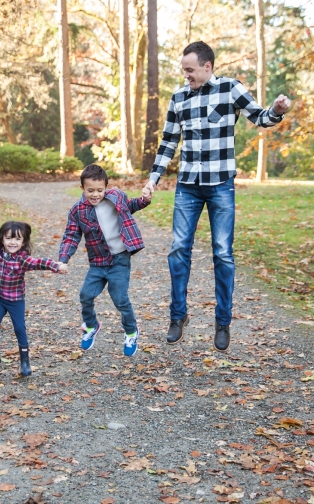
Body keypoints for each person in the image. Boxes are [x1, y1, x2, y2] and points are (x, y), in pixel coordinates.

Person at [141, 41, 291, 352]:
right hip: (188, 186)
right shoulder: (179, 97)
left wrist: (276, 111)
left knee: (222, 253)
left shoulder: (230, 89)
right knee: (178, 249)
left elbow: (259, 117)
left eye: (191, 70)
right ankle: (177, 317)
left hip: (221, 184)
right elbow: (168, 143)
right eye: (184, 71)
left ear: (208, 67)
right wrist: (153, 180)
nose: (187, 76)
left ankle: (223, 323)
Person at [59, 164, 152, 356]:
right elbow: (71, 236)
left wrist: (144, 200)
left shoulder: (116, 197)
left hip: (120, 259)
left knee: (120, 298)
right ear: (82, 189)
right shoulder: (78, 211)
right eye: (90, 190)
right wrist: (64, 259)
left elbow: (132, 205)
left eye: (99, 190)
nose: (95, 194)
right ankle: (91, 326)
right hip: (98, 262)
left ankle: (131, 331)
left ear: (106, 187)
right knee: (86, 294)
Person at [0, 221, 68, 376]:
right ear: (2, 239)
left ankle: (24, 362)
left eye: (17, 239)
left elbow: (38, 262)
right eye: (9, 238)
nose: (12, 242)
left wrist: (55, 266)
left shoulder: (22, 259)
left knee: (19, 328)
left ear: (23, 242)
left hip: (16, 301)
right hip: (0, 298)